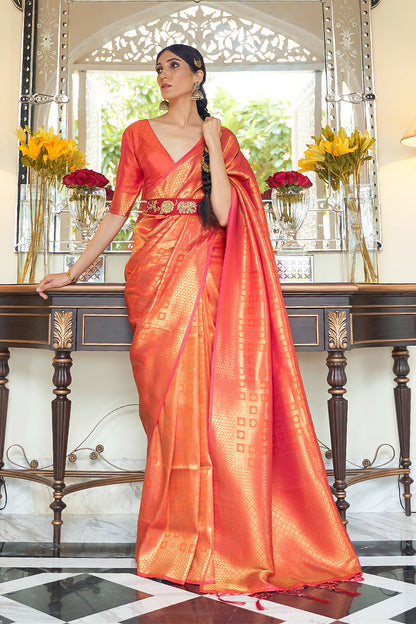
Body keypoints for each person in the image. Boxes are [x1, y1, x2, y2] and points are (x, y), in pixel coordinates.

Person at [37, 44, 362, 596]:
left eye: (172, 67)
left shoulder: (223, 138)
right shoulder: (139, 134)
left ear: (198, 76)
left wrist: (213, 143)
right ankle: (173, 535)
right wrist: (75, 271)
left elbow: (224, 215)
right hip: (154, 270)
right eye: (158, 67)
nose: (162, 75)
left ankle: (219, 537)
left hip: (206, 267)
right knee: (169, 406)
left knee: (208, 401)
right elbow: (119, 209)